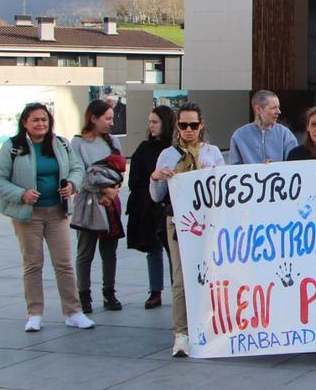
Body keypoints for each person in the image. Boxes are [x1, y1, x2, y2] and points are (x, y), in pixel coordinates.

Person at [0, 102, 94, 332]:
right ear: (25, 122)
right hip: (28, 216)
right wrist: (21, 194)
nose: (40, 124)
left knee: (64, 264)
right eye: (35, 120)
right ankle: (34, 313)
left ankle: (74, 312)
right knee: (33, 264)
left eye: (44, 119)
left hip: (57, 212)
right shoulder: (13, 147)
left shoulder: (60, 144)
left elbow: (77, 169)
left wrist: (72, 185)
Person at [150, 102, 226, 358]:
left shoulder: (213, 152)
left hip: (208, 222)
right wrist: (157, 177)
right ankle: (181, 333)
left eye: (193, 125)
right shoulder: (167, 155)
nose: (189, 130)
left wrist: (213, 175)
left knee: (210, 274)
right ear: (177, 127)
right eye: (184, 125)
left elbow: (224, 191)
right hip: (179, 221)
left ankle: (210, 325)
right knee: (181, 277)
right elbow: (156, 196)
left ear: (201, 125)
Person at [71, 99, 125, 313]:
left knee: (109, 251)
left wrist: (114, 189)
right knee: (85, 251)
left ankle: (109, 292)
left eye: (112, 118)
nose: (111, 123)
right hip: (89, 203)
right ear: (93, 118)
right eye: (107, 118)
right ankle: (84, 295)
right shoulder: (78, 143)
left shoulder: (113, 141)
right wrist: (103, 190)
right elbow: (77, 173)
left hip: (110, 202)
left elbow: (120, 171)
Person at [127, 106, 176, 309]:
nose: (151, 126)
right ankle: (155, 291)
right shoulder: (144, 148)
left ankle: (178, 290)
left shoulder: (174, 149)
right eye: (150, 122)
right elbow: (134, 180)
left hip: (170, 206)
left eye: (155, 121)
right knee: (153, 250)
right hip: (150, 205)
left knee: (174, 252)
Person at [228, 90, 298, 164]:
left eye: (278, 107)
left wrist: (275, 167)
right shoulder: (239, 136)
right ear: (258, 109)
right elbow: (234, 169)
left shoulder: (285, 134)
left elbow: (294, 165)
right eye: (274, 108)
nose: (279, 112)